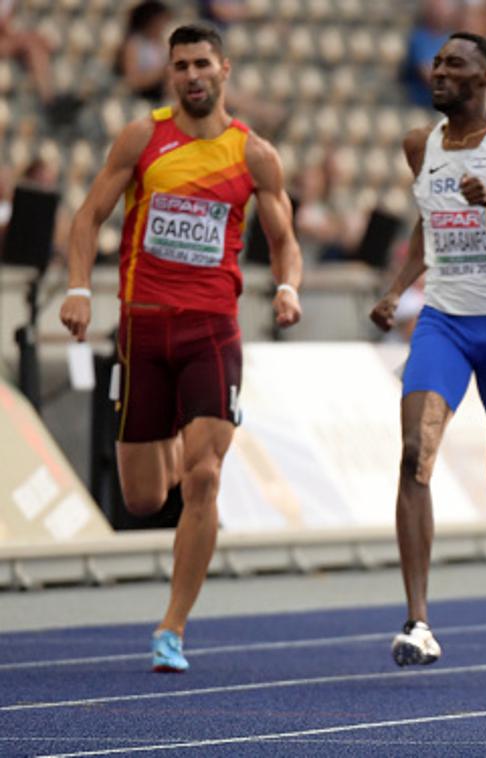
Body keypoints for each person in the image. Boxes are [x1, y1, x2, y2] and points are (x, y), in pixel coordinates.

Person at [59, 23, 302, 672]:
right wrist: (79, 288)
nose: (192, 75)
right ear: (171, 75)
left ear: (225, 68)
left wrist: (286, 287)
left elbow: (283, 236)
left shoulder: (254, 155)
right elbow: (88, 217)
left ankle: (172, 626)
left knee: (205, 476)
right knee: (142, 498)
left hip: (212, 333)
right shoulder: (143, 138)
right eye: (180, 66)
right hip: (141, 329)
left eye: (202, 63)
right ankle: (168, 435)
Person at [368, 32, 486, 667]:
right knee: (415, 450)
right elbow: (426, 218)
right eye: (437, 62)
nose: (438, 71)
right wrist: (396, 290)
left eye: (454, 64)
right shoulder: (421, 145)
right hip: (444, 318)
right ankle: (418, 620)